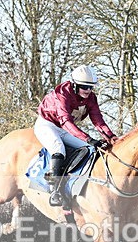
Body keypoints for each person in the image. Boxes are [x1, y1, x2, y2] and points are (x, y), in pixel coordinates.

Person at [35, 65, 118, 208]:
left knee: (89, 150)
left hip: (64, 128)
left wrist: (110, 137)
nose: (88, 91)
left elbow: (97, 120)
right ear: (74, 84)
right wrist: (88, 138)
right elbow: (66, 121)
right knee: (58, 148)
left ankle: (72, 182)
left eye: (91, 87)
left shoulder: (91, 98)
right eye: (84, 87)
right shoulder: (62, 94)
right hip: (47, 125)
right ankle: (54, 191)